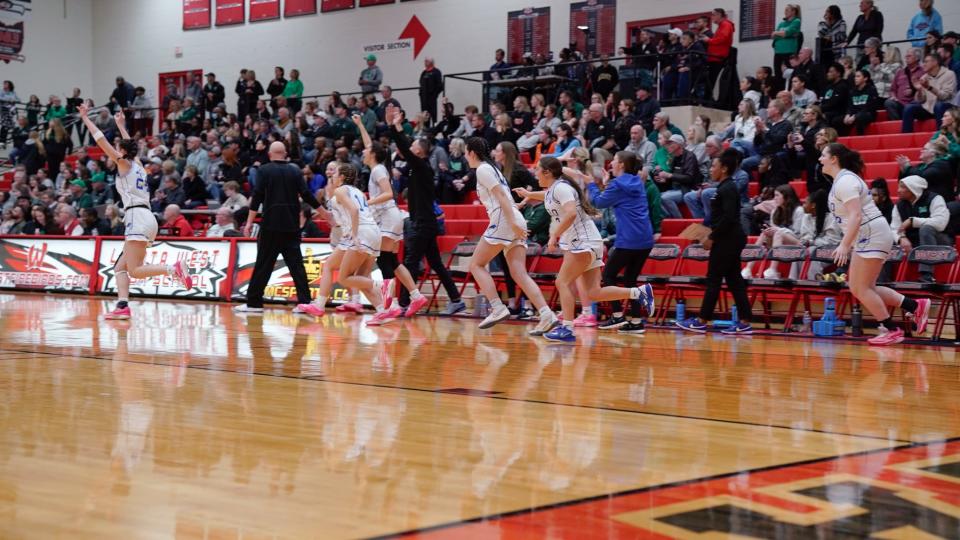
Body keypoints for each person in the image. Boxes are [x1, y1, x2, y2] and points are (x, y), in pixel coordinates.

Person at [512, 156, 653, 343]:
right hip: (587, 241)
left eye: (537, 169)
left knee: (562, 282)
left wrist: (555, 235)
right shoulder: (555, 189)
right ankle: (639, 292)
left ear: (547, 172)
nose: (534, 172)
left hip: (583, 241)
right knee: (593, 292)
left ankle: (567, 328)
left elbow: (570, 213)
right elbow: (547, 196)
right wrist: (528, 194)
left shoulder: (561, 188)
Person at [78, 104, 193, 320]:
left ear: (122, 151)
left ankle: (173, 268)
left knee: (135, 270)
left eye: (118, 147)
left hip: (136, 217)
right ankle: (123, 306)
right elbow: (130, 145)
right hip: (148, 217)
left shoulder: (123, 163)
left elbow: (100, 139)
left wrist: (85, 118)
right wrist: (121, 125)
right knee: (120, 267)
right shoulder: (138, 164)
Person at [820, 143, 930, 345]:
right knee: (866, 287)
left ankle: (892, 329)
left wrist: (844, 245)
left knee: (859, 288)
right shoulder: (844, 179)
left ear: (834, 158)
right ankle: (914, 306)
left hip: (870, 232)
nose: (820, 159)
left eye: (823, 155)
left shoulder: (845, 181)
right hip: (871, 233)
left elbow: (856, 215)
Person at [463, 137, 558, 332]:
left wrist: (513, 222)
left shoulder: (482, 169)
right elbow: (505, 198)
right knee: (519, 273)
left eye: (466, 152)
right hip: (512, 217)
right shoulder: (494, 169)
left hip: (505, 220)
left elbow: (500, 198)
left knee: (476, 264)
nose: (465, 156)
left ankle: (497, 307)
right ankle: (547, 313)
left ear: (472, 152)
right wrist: (518, 211)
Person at [386, 107, 465, 315]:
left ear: (419, 151)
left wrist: (396, 127)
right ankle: (456, 299)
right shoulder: (414, 167)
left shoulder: (422, 166)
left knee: (410, 262)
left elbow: (403, 145)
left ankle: (404, 304)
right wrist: (391, 128)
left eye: (413, 145)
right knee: (436, 263)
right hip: (424, 222)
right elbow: (400, 149)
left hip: (423, 223)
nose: (409, 146)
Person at [351, 114, 431, 318]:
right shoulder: (377, 166)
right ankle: (415, 295)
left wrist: (366, 202)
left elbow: (388, 194)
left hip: (388, 216)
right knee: (392, 260)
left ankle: (392, 304)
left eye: (366, 150)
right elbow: (370, 144)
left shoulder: (378, 171)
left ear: (373, 155)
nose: (363, 151)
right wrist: (360, 124)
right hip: (392, 217)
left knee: (385, 260)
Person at [296, 164, 392, 325]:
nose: (332, 175)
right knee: (353, 276)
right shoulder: (357, 192)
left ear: (341, 177)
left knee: (344, 278)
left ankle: (383, 285)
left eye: (335, 173)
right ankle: (382, 311)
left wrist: (354, 234)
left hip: (359, 233)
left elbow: (354, 211)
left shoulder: (340, 191)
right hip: (372, 232)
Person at [234, 142, 321, 313]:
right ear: (285, 153)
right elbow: (306, 194)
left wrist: (250, 222)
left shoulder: (264, 170)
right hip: (291, 225)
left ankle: (254, 303)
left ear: (269, 153)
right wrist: (324, 213)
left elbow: (257, 196)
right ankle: (305, 302)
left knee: (263, 264)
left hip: (271, 225)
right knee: (297, 265)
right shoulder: (295, 170)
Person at [677, 151, 754, 335]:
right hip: (730, 238)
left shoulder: (727, 188)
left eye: (714, 166)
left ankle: (702, 320)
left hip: (728, 240)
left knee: (714, 279)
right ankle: (745, 321)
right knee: (735, 280)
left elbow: (727, 218)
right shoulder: (725, 187)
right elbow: (720, 217)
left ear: (724, 168)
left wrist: (711, 237)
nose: (711, 169)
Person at [584, 151, 657, 334]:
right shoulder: (637, 182)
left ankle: (617, 315)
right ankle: (636, 321)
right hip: (645, 239)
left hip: (629, 239)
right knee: (630, 279)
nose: (611, 163)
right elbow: (618, 193)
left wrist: (591, 184)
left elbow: (599, 202)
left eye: (615, 160)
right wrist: (608, 182)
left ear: (622, 164)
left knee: (608, 275)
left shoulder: (618, 184)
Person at [890, 175, 953, 283]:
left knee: (926, 229)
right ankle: (881, 281)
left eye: (902, 187)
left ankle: (926, 275)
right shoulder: (899, 205)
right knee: (885, 238)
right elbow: (894, 227)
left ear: (913, 189)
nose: (898, 190)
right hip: (913, 240)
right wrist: (901, 238)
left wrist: (913, 221)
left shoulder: (935, 199)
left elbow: (940, 223)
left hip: (939, 240)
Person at [901, 54, 956, 133]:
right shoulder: (924, 77)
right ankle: (905, 137)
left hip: (946, 108)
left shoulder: (949, 74)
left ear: (935, 62)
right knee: (909, 108)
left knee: (939, 106)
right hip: (928, 109)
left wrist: (929, 88)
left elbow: (945, 96)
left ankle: (941, 135)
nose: (923, 64)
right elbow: (920, 100)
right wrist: (919, 90)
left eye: (926, 62)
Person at [701, 8, 735, 88]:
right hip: (715, 58)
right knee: (710, 81)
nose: (711, 17)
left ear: (719, 15)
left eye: (713, 15)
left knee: (711, 81)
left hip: (718, 58)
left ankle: (709, 99)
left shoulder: (726, 24)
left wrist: (709, 40)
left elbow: (723, 38)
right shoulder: (722, 25)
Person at [772, 4, 802, 81]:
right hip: (778, 52)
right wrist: (781, 34)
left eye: (787, 10)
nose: (785, 12)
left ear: (793, 11)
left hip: (789, 51)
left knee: (790, 73)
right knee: (778, 74)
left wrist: (778, 33)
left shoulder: (796, 21)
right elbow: (773, 36)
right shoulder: (782, 23)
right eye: (785, 10)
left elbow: (787, 32)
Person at [418, 57, 443, 122]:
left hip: (432, 98)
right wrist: (421, 94)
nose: (425, 62)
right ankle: (425, 129)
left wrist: (434, 95)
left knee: (433, 115)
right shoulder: (423, 72)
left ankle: (434, 128)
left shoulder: (436, 72)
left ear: (432, 62)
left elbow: (440, 86)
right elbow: (420, 83)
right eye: (425, 61)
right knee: (425, 116)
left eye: (427, 61)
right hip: (424, 99)